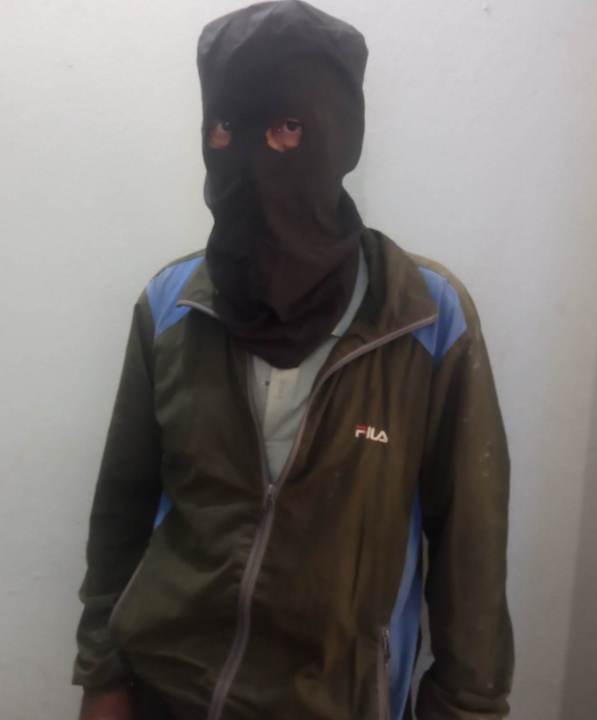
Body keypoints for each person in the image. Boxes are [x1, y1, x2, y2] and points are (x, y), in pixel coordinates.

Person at [72, 2, 513, 718]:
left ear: (339, 135)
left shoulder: (426, 318)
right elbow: (121, 508)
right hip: (169, 692)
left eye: (286, 128)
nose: (250, 156)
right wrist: (102, 675)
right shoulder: (171, 305)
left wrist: (466, 707)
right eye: (225, 128)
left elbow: (472, 547)